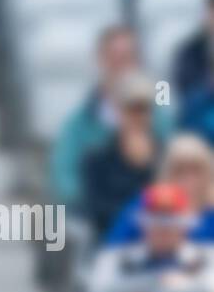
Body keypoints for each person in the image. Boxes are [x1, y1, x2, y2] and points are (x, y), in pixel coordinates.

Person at [51, 27, 167, 208]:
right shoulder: (79, 124)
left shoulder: (161, 117)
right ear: (100, 60)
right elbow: (65, 179)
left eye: (129, 58)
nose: (123, 67)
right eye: (115, 58)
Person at [81, 71, 163, 240]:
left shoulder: (165, 156)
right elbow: (97, 212)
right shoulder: (97, 160)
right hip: (115, 245)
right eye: (132, 109)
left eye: (144, 109)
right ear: (119, 111)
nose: (138, 117)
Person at [103, 134, 214, 245]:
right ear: (167, 173)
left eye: (196, 170)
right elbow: (114, 247)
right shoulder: (146, 203)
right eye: (180, 171)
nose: (188, 179)